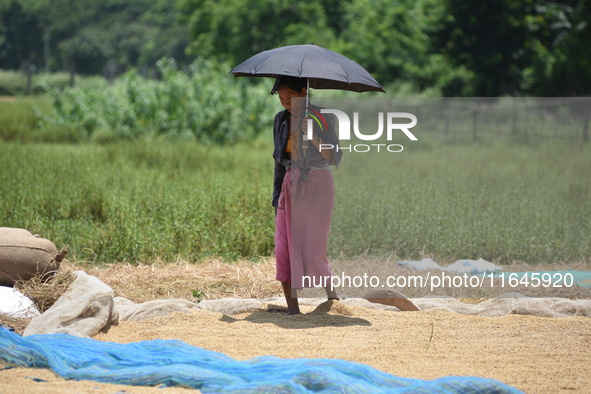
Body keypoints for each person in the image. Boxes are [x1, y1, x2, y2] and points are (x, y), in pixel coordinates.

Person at [271, 76, 342, 315]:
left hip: (318, 184)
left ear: (304, 91)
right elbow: (279, 162)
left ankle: (335, 304)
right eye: (281, 99)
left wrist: (313, 134)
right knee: (283, 248)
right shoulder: (280, 120)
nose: (285, 103)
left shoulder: (324, 118)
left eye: (290, 97)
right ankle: (293, 311)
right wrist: (276, 197)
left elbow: (334, 158)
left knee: (313, 248)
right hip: (290, 185)